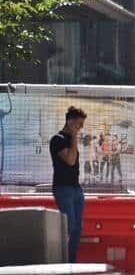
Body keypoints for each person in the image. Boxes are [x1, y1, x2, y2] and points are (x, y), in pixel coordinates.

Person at [50, 107, 87, 263]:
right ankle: (60, 259)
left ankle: (71, 261)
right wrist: (73, 137)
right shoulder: (57, 139)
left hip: (76, 188)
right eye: (78, 124)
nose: (80, 128)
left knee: (78, 229)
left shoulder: (71, 140)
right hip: (63, 188)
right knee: (69, 226)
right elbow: (71, 160)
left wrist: (73, 137)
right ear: (70, 122)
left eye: (82, 125)